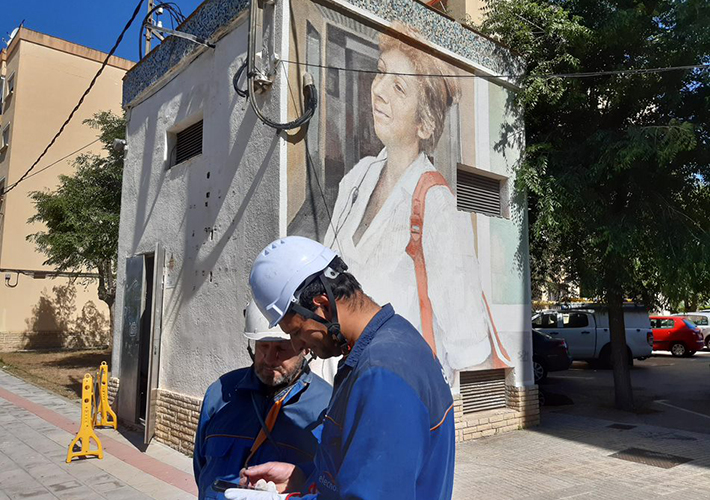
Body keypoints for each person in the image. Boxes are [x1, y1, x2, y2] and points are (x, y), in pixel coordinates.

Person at [322, 22, 511, 383]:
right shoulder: (357, 178)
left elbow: (468, 340)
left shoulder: (436, 204)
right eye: (381, 73)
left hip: (398, 391)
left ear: (424, 124)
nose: (378, 91)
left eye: (398, 87)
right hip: (338, 387)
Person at [228, 236, 454, 499]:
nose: (298, 345)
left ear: (322, 306)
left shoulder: (381, 374)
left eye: (296, 332)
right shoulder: (396, 339)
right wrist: (302, 479)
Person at [193, 301, 332, 500]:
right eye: (263, 346)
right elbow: (201, 467)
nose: (268, 358)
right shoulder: (220, 393)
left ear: (305, 348)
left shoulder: (327, 406)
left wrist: (301, 477)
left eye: (281, 349)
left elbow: (331, 482)